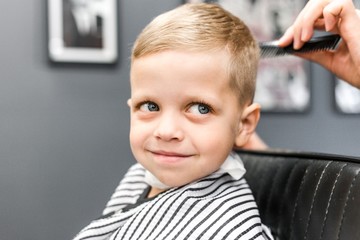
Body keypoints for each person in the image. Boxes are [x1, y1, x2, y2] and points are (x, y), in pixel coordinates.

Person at [73, 3, 273, 240]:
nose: (166, 131)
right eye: (150, 106)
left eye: (200, 108)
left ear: (245, 124)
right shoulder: (139, 176)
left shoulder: (232, 229)